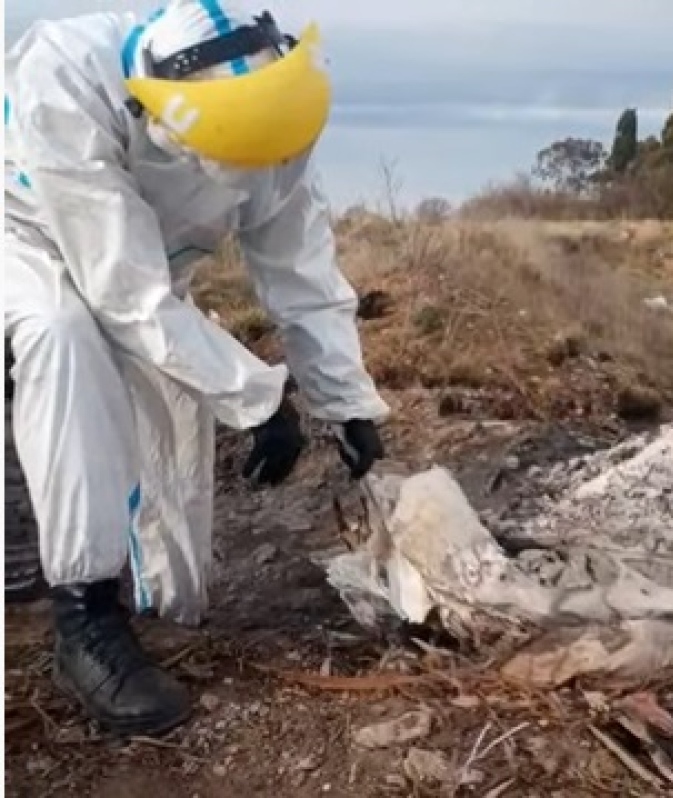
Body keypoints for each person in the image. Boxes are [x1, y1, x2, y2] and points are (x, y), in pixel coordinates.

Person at [4, 0, 390, 737]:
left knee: (176, 536)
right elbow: (126, 292)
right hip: (22, 231)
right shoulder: (65, 80)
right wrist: (257, 397)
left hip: (140, 267)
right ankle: (83, 615)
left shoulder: (271, 106)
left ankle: (143, 594)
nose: (250, 185)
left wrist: (346, 402)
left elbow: (300, 268)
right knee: (66, 336)